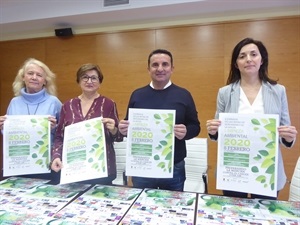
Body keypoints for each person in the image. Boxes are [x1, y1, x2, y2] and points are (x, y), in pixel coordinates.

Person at [206, 37, 298, 199]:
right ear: (236, 64)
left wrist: (289, 136)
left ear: (262, 59)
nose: (248, 59)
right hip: (235, 166)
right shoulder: (225, 92)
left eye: (253, 54)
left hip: (265, 168)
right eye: (242, 56)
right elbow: (218, 133)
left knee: (264, 217)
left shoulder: (278, 91)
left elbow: (285, 132)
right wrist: (213, 130)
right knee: (233, 215)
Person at [118, 49, 201, 191]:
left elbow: (195, 126)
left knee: (173, 208)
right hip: (142, 165)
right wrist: (124, 129)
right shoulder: (137, 95)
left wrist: (186, 131)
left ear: (172, 68)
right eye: (155, 65)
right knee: (141, 206)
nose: (160, 69)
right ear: (148, 69)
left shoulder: (183, 95)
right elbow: (129, 126)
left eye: (165, 64)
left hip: (173, 167)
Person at [50, 63, 123, 185]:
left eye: (94, 78)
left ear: (100, 82)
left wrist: (114, 129)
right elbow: (59, 136)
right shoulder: (67, 106)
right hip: (74, 168)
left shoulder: (108, 104)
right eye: (85, 77)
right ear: (79, 81)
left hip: (102, 169)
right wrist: (56, 156)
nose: (89, 81)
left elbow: (119, 136)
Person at [0, 58, 62, 183]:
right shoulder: (14, 102)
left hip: (46, 165)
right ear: (23, 77)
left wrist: (55, 127)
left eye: (39, 75)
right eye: (30, 73)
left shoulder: (54, 102)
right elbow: (9, 134)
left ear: (45, 81)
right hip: (19, 163)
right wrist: (3, 128)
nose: (34, 77)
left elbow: (63, 133)